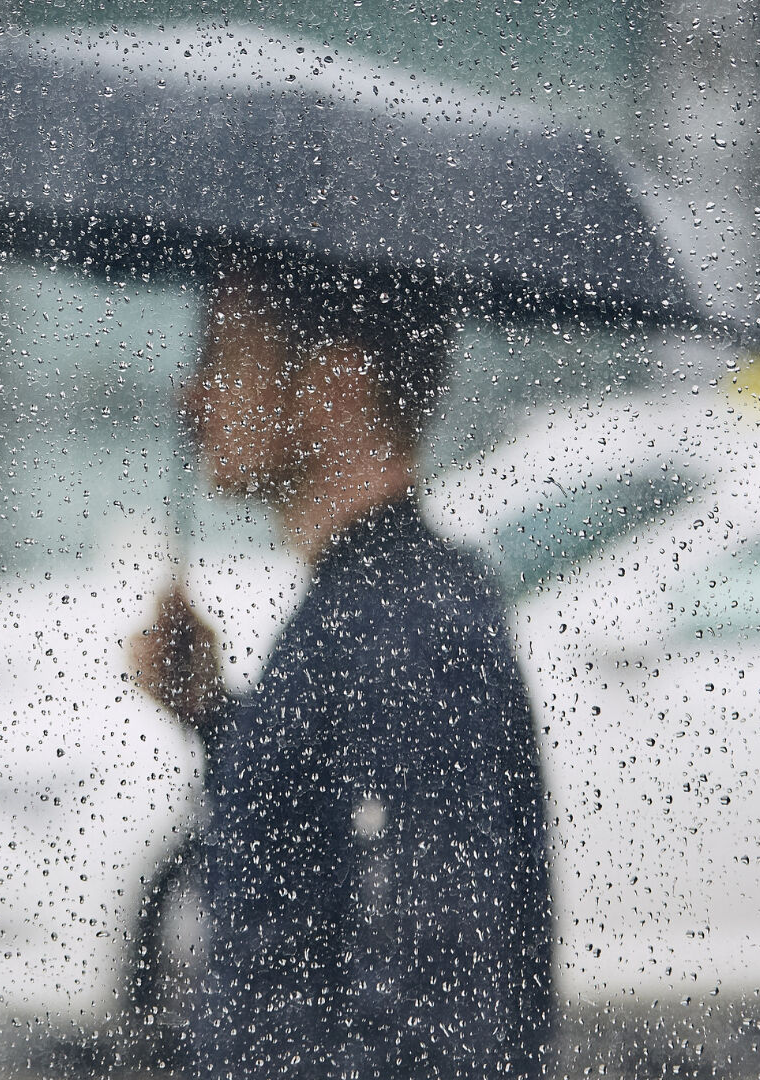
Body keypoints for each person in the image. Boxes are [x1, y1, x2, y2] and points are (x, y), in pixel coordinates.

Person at [132, 266, 555, 1080]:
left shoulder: (408, 628)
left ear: (333, 385)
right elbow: (313, 870)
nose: (189, 400)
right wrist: (214, 714)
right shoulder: (371, 605)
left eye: (224, 356)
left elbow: (441, 986)